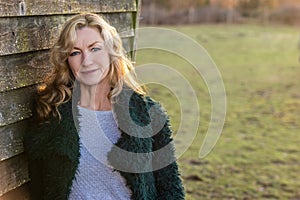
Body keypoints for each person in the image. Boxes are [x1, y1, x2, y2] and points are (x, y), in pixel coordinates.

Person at [24, 12, 185, 200]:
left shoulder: (148, 113)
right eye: (75, 52)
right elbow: (39, 187)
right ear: (67, 60)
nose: (87, 61)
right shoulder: (51, 112)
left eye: (95, 49)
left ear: (111, 50)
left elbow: (171, 187)